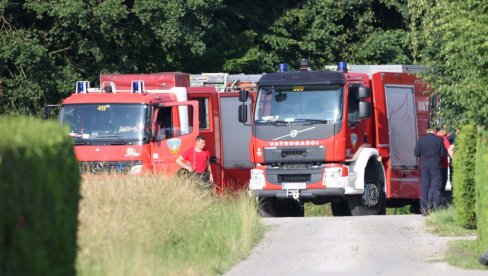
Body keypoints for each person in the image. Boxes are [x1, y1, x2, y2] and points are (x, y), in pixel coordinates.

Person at [414, 124, 447, 216]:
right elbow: (443, 154)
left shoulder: (421, 140)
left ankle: (424, 210)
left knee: (425, 187)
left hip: (424, 166)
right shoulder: (439, 140)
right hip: (436, 166)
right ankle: (434, 209)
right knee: (435, 187)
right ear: (434, 130)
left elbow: (416, 153)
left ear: (426, 130)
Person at [435, 126, 453, 202]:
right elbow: (450, 149)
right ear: (442, 130)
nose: (447, 132)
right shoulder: (444, 139)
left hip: (433, 165)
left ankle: (434, 203)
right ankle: (440, 203)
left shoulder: (433, 138)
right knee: (442, 185)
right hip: (443, 165)